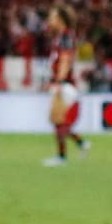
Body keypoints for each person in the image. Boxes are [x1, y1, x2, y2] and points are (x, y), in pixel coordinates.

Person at [43, 10, 88, 166]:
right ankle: (80, 144)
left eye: (52, 17)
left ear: (61, 19)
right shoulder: (61, 37)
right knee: (58, 122)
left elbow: (65, 59)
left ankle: (62, 156)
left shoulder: (65, 37)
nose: (49, 20)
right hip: (62, 83)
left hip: (64, 85)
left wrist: (58, 81)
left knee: (59, 121)